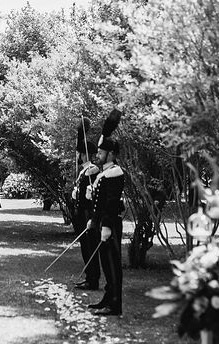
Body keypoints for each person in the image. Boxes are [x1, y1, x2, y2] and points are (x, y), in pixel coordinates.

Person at [87, 110, 125, 316]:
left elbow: (111, 203)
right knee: (106, 264)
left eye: (101, 153)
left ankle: (115, 304)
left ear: (111, 154)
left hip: (110, 224)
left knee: (112, 266)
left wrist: (107, 226)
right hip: (102, 222)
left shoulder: (115, 173)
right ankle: (107, 298)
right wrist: (93, 221)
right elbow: (99, 204)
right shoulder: (105, 172)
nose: (98, 155)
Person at [72, 138, 101, 291]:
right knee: (85, 247)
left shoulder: (92, 170)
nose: (79, 156)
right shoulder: (84, 170)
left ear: (85, 155)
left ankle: (93, 279)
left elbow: (91, 194)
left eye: (80, 153)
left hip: (88, 213)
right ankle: (89, 277)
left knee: (90, 246)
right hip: (81, 213)